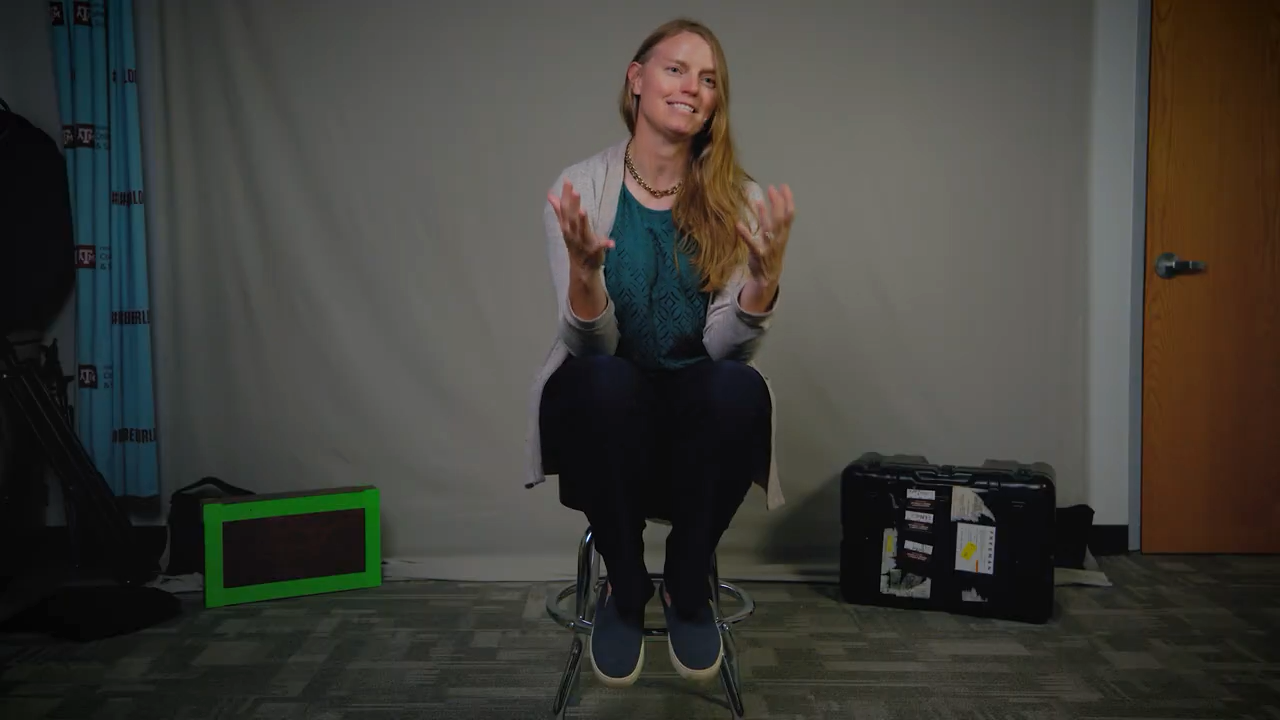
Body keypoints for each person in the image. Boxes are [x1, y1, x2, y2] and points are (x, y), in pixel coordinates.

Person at [526, 18, 795, 689]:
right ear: (637, 79)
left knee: (741, 388)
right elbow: (591, 345)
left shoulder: (741, 200)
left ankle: (684, 581)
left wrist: (761, 284)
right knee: (603, 380)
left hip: (694, 430)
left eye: (709, 79)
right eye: (676, 69)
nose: (693, 88)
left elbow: (722, 347)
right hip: (600, 425)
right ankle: (624, 585)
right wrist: (587, 279)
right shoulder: (579, 189)